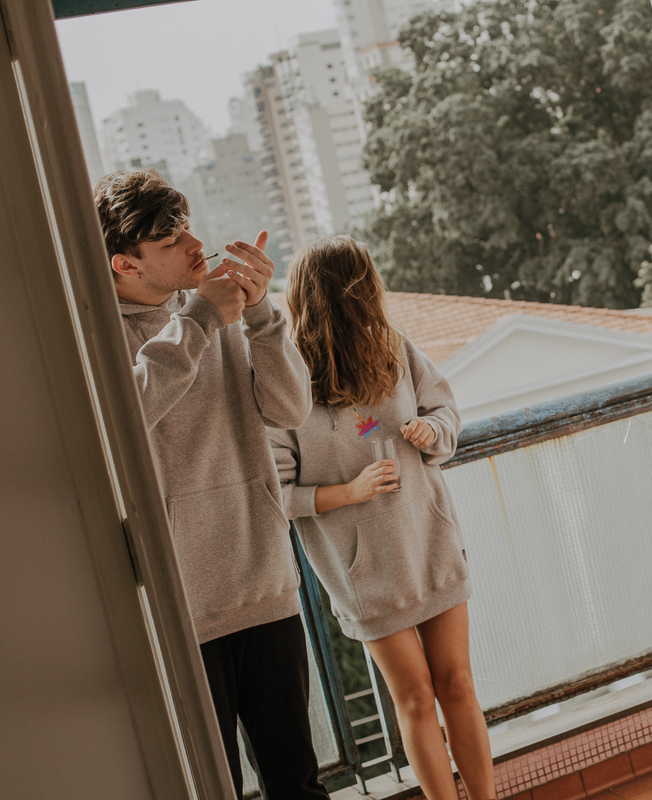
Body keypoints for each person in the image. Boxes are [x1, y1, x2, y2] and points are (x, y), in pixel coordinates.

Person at [94, 169, 327, 799]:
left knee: (298, 783)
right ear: (125, 263)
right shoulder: (95, 339)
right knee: (210, 787)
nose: (196, 244)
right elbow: (123, 422)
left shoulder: (220, 311)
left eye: (189, 225)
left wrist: (262, 316)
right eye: (170, 240)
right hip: (179, 607)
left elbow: (289, 410)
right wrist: (196, 322)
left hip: (264, 581)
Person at [269, 236, 494, 800]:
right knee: (416, 698)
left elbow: (443, 411)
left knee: (458, 684)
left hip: (429, 543)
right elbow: (276, 491)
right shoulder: (285, 380)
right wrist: (347, 492)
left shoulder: (392, 348)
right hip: (364, 570)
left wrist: (431, 429)